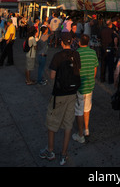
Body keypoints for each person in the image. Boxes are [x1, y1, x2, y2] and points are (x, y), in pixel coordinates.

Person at [39, 32, 81, 166]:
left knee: (52, 122)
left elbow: (52, 75)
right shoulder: (76, 54)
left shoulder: (58, 56)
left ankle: (50, 150)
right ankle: (64, 153)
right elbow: (77, 71)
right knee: (68, 125)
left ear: (62, 43)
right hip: (72, 93)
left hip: (59, 94)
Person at [73, 34, 98, 143]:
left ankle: (80, 134)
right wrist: (92, 79)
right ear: (88, 43)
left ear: (79, 42)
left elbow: (75, 70)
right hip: (89, 85)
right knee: (87, 108)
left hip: (80, 86)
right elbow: (95, 68)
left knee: (79, 111)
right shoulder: (93, 53)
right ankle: (86, 129)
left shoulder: (76, 53)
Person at [100, 19, 119, 84]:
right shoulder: (112, 31)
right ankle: (110, 80)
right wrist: (116, 46)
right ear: (111, 25)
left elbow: (99, 38)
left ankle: (102, 78)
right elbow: (115, 39)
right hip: (110, 48)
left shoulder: (102, 30)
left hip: (103, 48)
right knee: (110, 65)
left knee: (103, 64)